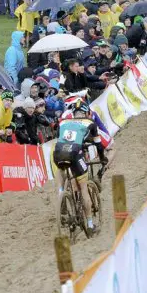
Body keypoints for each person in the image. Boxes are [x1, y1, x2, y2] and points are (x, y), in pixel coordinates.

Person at [51, 99, 103, 236]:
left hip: (58, 152)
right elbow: (99, 145)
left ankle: (61, 193)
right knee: (84, 188)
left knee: (61, 170)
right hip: (75, 154)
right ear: (86, 113)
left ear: (73, 113)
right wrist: (103, 158)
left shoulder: (63, 122)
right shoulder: (90, 123)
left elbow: (61, 138)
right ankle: (90, 225)